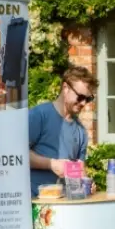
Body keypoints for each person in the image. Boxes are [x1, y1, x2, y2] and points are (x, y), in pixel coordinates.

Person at [28, 66, 98, 197]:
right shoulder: (39, 115)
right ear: (65, 88)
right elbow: (16, 156)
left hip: (65, 207)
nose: (83, 103)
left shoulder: (81, 131)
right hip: (34, 203)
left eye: (88, 99)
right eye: (80, 97)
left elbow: (80, 170)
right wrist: (51, 164)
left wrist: (87, 183)